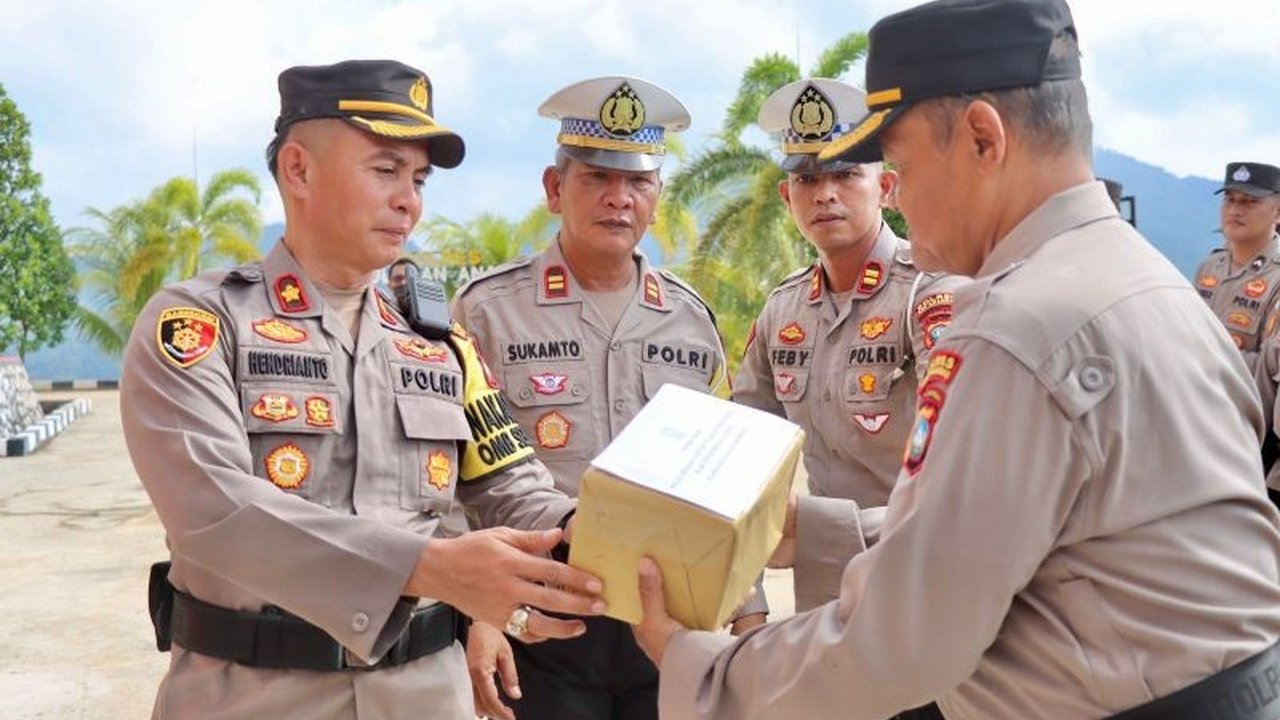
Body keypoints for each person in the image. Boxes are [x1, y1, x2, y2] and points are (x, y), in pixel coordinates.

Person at [632, 2, 1280, 718]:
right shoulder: (1149, 282)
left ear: (981, 138)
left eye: (900, 164)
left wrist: (704, 669)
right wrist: (814, 533)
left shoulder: (1018, 325)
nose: (897, 194)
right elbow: (1050, 531)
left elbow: (901, 642)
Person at [119, 59, 605, 720]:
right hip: (255, 695)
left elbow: (509, 485)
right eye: (384, 171)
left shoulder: (437, 341)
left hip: (426, 695)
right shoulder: (202, 324)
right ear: (299, 170)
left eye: (418, 178)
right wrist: (432, 569)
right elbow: (214, 511)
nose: (409, 200)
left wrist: (593, 534)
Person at [452, 76, 727, 720]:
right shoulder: (490, 311)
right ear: (555, 190)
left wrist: (741, 615)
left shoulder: (690, 320)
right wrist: (478, 613)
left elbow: (719, 480)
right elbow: (447, 473)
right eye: (596, 178)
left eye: (637, 182)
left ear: (657, 197)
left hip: (669, 619)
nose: (618, 198)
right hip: (539, 616)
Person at [742, 78, 964, 618]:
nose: (824, 194)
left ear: (886, 188)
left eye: (845, 175)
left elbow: (960, 462)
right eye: (807, 179)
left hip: (928, 582)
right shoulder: (783, 311)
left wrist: (818, 533)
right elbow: (736, 455)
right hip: (829, 596)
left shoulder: (930, 290)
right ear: (786, 195)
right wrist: (748, 602)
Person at [1193, 162, 1280, 373]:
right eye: (1229, 199)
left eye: (1249, 202)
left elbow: (1270, 368)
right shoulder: (1210, 266)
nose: (1234, 210)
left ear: (1277, 213)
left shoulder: (1275, 276)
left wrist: (1202, 361)